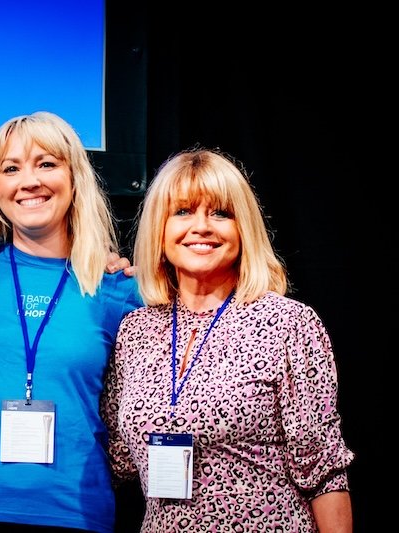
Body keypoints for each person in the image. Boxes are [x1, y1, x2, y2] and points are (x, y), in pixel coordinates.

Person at [100, 148, 354, 532]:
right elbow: (117, 458)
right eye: (182, 212)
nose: (201, 226)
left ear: (243, 229)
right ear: (159, 228)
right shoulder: (135, 329)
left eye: (220, 213)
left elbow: (323, 471)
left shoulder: (289, 323)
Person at [0, 111, 144, 532]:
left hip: (74, 510)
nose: (29, 181)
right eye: (11, 168)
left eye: (46, 163)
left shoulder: (118, 288)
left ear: (74, 177)